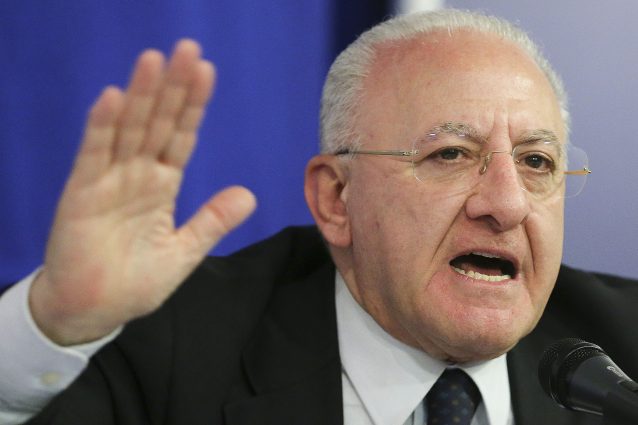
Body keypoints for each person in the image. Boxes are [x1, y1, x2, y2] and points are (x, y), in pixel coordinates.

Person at [1, 8, 637, 425]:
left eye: (536, 161)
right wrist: (56, 323)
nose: (506, 203)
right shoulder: (170, 351)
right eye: (450, 154)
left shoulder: (624, 350)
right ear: (336, 198)